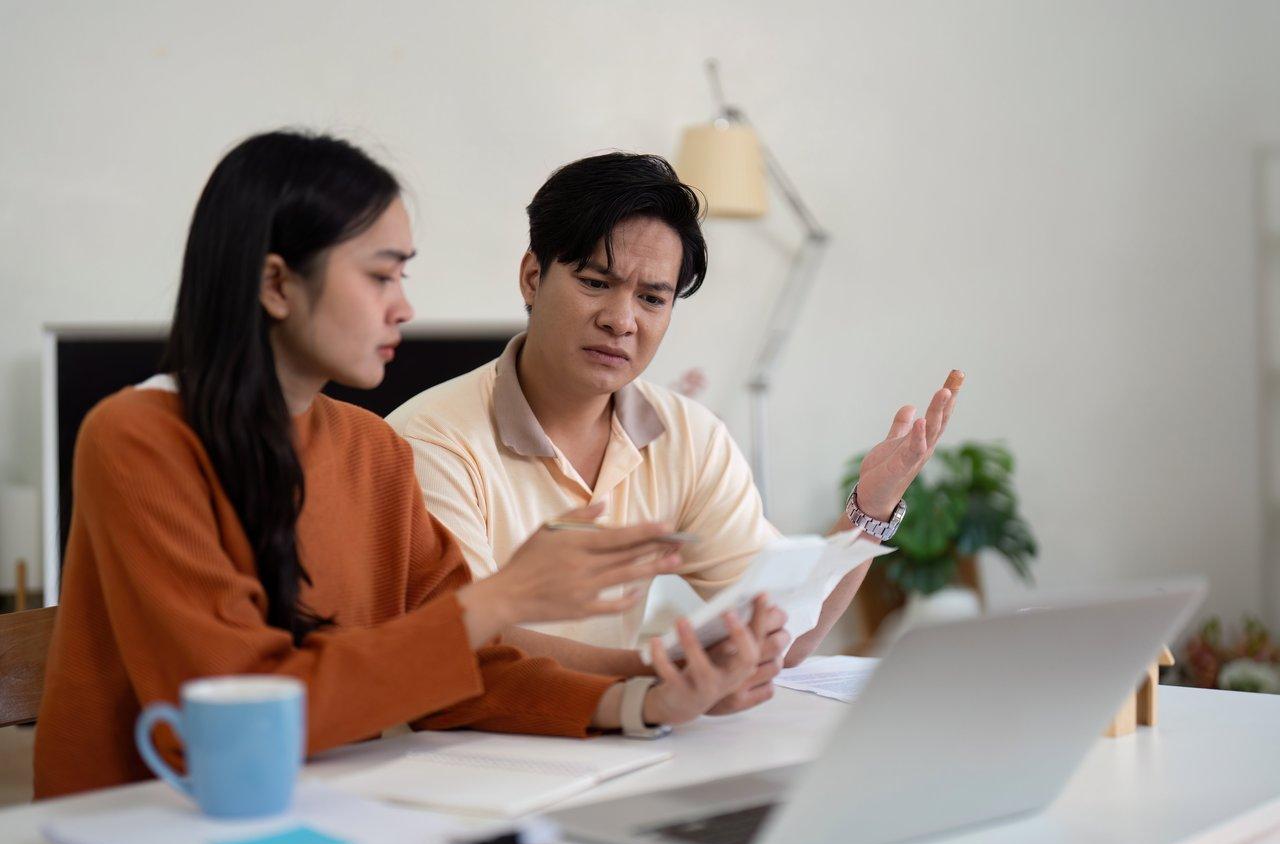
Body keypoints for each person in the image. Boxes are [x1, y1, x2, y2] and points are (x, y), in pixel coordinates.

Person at [34, 132, 767, 799]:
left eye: (403, 277)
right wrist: (505, 596)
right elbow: (239, 711)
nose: (404, 308)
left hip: (328, 810)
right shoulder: (139, 437)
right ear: (278, 284)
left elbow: (456, 673)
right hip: (149, 822)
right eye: (380, 277)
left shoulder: (370, 450)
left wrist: (645, 699)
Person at [387, 153, 960, 713]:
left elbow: (785, 635)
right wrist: (657, 679)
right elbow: (466, 645)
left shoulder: (690, 436)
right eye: (595, 282)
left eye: (652, 298)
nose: (621, 320)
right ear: (533, 277)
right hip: (458, 753)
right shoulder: (431, 441)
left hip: (617, 742)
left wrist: (871, 508)